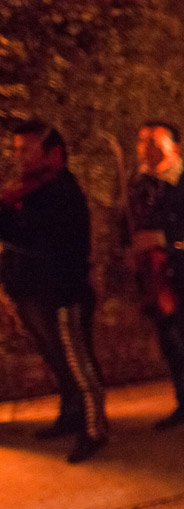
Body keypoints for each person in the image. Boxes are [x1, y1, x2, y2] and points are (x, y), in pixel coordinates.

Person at [0, 119, 108, 463]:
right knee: (57, 359)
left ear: (54, 154)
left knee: (78, 362)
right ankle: (71, 414)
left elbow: (36, 238)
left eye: (27, 150)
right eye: (16, 150)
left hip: (64, 292)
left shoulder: (62, 192)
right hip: (34, 290)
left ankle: (95, 428)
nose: (19, 158)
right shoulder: (29, 189)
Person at [126, 121, 184, 448]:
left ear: (175, 148)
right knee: (169, 341)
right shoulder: (138, 184)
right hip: (154, 276)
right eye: (142, 141)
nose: (146, 148)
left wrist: (163, 238)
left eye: (154, 142)